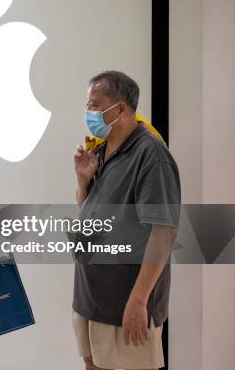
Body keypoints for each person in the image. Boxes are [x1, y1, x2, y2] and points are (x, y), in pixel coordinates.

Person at [73, 71, 180, 370]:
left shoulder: (151, 155)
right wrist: (84, 181)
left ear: (120, 108)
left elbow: (163, 232)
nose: (88, 113)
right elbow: (89, 209)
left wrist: (137, 301)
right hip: (90, 296)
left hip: (124, 302)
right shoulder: (101, 148)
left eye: (95, 105)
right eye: (87, 105)